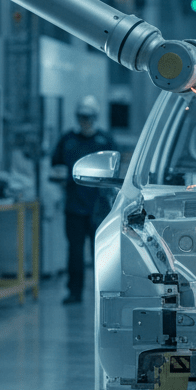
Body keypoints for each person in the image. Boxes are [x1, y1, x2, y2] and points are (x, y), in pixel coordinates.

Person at [51, 95, 115, 305]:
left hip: (98, 208)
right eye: (81, 117)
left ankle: (103, 293)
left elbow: (115, 170)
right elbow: (56, 165)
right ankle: (75, 292)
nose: (84, 121)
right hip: (74, 206)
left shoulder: (104, 141)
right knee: (75, 252)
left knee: (101, 253)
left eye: (88, 117)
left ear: (95, 117)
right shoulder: (68, 140)